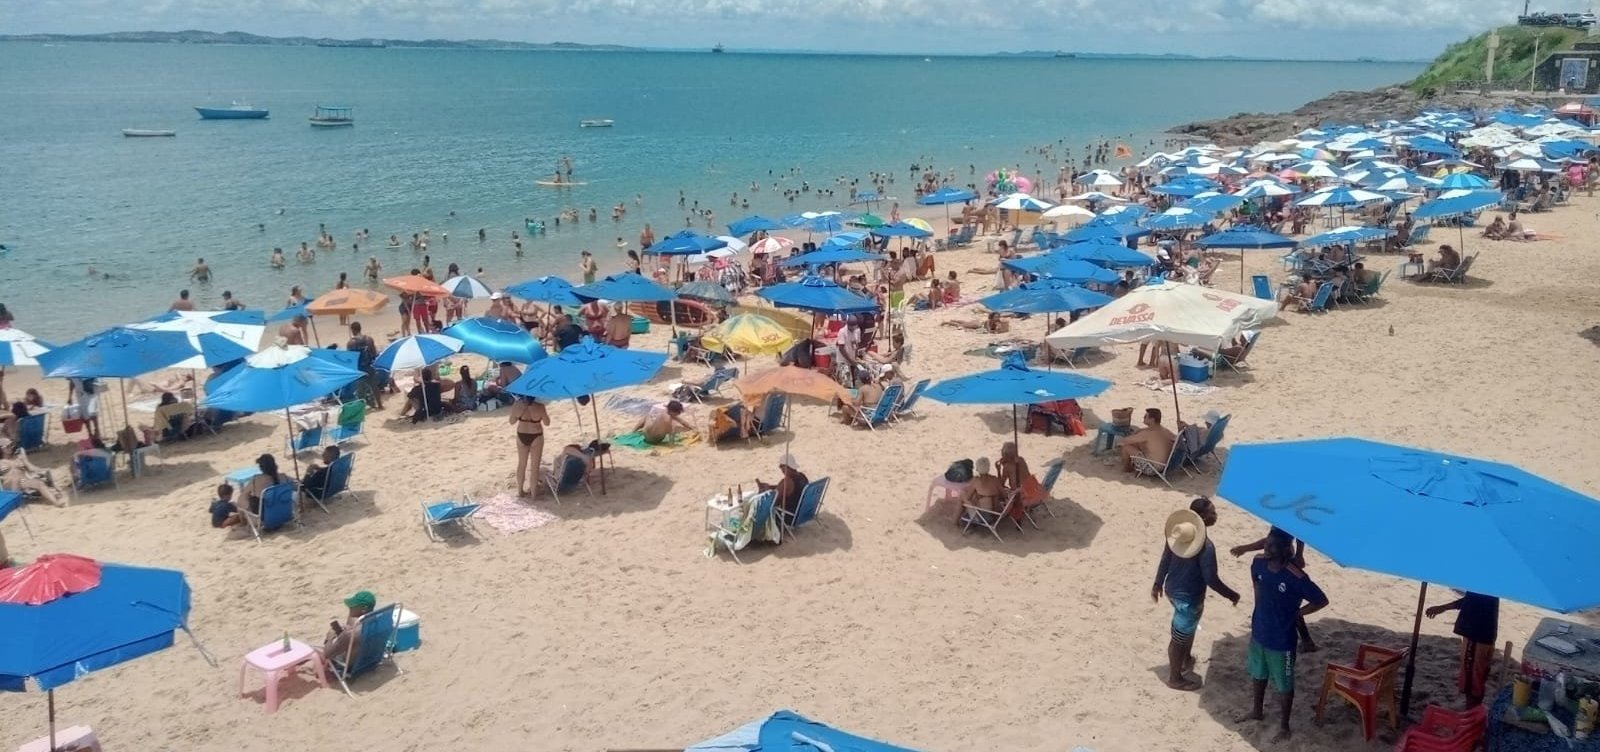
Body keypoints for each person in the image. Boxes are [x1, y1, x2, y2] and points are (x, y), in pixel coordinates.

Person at [1241, 529, 1329, 742]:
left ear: (1285, 550)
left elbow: (1321, 600)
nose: (1266, 548)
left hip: (1282, 640)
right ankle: (1257, 710)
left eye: (1272, 546)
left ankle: (1284, 726)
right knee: (1258, 674)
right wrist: (1258, 599)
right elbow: (1255, 579)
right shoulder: (1258, 563)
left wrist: (1297, 613)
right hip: (1259, 631)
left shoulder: (1295, 576)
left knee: (1284, 684)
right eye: (1266, 544)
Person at [1151, 498, 1240, 691]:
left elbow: (1165, 559)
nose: (1215, 515)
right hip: (1188, 598)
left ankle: (1186, 659)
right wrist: (1231, 594)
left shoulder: (1178, 536)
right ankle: (1175, 677)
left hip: (1172, 590)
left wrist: (1157, 583)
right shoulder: (1206, 547)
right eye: (1212, 513)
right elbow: (1211, 579)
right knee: (1179, 637)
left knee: (1187, 629)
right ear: (1202, 518)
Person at [1230, 527, 1319, 653]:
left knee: (1287, 606)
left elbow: (1276, 541)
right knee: (1287, 604)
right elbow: (1272, 542)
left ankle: (1307, 641)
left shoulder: (1283, 527)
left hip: (1282, 559)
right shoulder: (1278, 534)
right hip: (1281, 555)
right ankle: (1307, 641)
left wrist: (1245, 548)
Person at [1425, 591, 1500, 706]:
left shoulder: (1484, 583)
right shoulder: (1490, 584)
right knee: (1477, 674)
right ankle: (1472, 710)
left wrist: (1443, 607)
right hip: (1483, 633)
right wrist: (1443, 608)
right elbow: (1471, 599)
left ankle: (1471, 711)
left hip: (1477, 633)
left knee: (1472, 678)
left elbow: (1471, 600)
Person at [0, 439, 64, 506]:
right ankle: (15, 502)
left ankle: (56, 502)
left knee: (39, 483)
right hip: (8, 483)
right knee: (15, 478)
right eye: (7, 446)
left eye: (11, 445)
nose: (10, 447)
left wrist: (43, 469)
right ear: (1, 448)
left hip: (23, 481)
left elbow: (31, 468)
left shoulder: (18, 457)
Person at [509, 396, 549, 497]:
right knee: (535, 467)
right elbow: (547, 423)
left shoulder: (517, 404)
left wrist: (520, 412)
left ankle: (520, 491)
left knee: (522, 464)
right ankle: (534, 494)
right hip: (536, 435)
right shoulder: (540, 406)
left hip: (521, 434)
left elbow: (512, 421)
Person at [322, 590, 377, 660]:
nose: (350, 608)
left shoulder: (350, 634)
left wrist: (329, 638)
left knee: (315, 654)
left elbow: (327, 654)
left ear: (363, 610)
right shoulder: (378, 622)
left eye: (352, 607)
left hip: (351, 666)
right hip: (370, 660)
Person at [1120, 408, 1176, 473]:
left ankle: (1127, 469)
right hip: (1165, 465)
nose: (1143, 418)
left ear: (1152, 420)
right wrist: (1139, 431)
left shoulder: (1148, 434)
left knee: (1126, 447)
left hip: (1152, 468)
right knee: (1141, 444)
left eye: (1145, 416)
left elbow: (1124, 441)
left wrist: (1121, 441)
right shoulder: (1165, 431)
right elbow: (1174, 438)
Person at [345, 322, 382, 410]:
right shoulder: (369, 339)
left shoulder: (350, 343)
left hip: (359, 369)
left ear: (352, 330)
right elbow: (374, 353)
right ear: (360, 328)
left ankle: (360, 408)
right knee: (374, 387)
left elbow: (350, 359)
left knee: (360, 390)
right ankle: (380, 405)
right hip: (369, 366)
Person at [959, 456, 1007, 523]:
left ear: (978, 469)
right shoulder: (995, 480)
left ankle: (957, 520)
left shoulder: (976, 481)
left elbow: (967, 497)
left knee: (962, 494)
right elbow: (1005, 495)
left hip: (984, 517)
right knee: (978, 496)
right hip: (996, 514)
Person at [65, 376, 101, 442]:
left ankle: (97, 432)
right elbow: (72, 382)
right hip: (81, 393)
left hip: (91, 390)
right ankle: (90, 433)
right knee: (85, 415)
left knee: (93, 413)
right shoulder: (73, 370)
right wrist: (70, 396)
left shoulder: (90, 366)